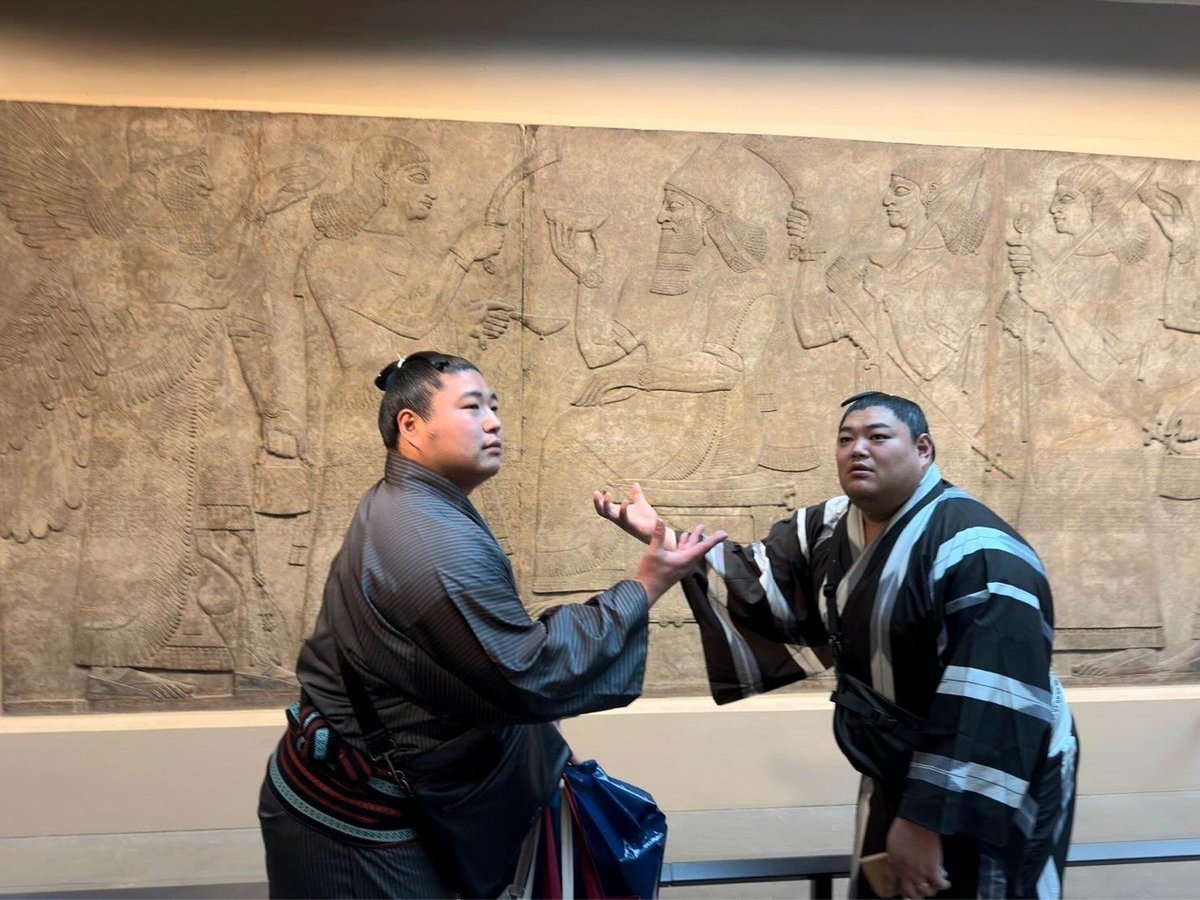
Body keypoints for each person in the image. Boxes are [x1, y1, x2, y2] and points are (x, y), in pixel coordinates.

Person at [258, 350, 725, 898]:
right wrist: (646, 584)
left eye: (495, 406)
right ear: (411, 426)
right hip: (354, 816)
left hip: (373, 787)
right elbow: (528, 671)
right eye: (473, 406)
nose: (494, 421)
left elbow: (477, 660)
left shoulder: (414, 505)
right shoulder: (427, 538)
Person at [595, 391, 1078, 899]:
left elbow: (993, 699)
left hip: (985, 773)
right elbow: (757, 585)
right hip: (899, 766)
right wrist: (666, 541)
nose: (857, 450)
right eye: (846, 439)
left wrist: (927, 821)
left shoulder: (980, 551)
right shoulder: (829, 526)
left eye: (877, 437)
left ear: (924, 450)